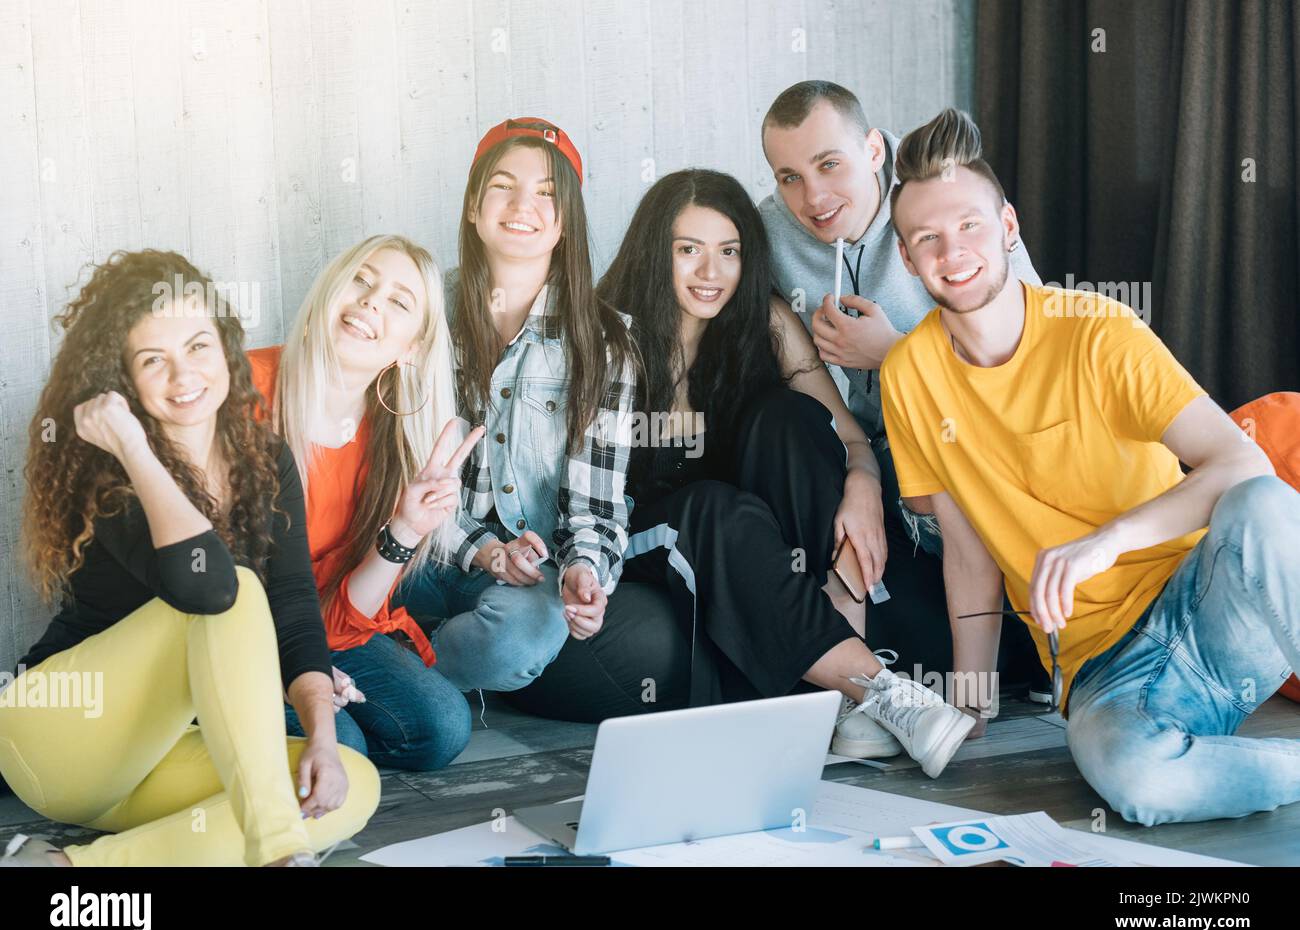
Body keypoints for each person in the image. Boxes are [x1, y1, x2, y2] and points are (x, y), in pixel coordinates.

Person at [881, 107, 1300, 825]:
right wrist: (971, 702)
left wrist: (1108, 541)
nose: (953, 251)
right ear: (908, 256)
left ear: (1008, 227)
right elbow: (969, 552)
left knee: (1262, 500)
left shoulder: (1099, 332)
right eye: (928, 238)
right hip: (1107, 673)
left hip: (1212, 605)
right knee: (1138, 784)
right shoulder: (907, 375)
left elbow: (1239, 461)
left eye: (970, 226)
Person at [519, 169, 975, 777]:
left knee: (790, 418)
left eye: (729, 252)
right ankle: (873, 688)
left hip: (754, 548)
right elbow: (585, 499)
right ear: (656, 254)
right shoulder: (610, 336)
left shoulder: (764, 323)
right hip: (643, 539)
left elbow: (842, 434)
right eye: (689, 251)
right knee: (714, 505)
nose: (711, 273)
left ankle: (848, 696)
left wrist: (863, 482)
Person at [0, 250, 379, 866]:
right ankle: (283, 858)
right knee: (235, 592)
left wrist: (323, 740)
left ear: (226, 349)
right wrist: (131, 445)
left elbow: (294, 608)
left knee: (347, 786)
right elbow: (206, 590)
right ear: (121, 380)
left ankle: (64, 868)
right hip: (59, 733)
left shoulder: (265, 459)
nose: (184, 377)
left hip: (156, 758)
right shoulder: (107, 468)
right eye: (154, 361)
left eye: (198, 347)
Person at [760, 80, 1044, 697]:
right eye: (788, 177)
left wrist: (896, 356)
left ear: (872, 150)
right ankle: (857, 680)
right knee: (783, 421)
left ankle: (997, 658)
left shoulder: (943, 200)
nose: (812, 197)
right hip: (867, 476)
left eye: (829, 164)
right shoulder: (768, 235)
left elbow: (1028, 367)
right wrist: (860, 468)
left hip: (971, 463)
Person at [398, 117, 683, 713]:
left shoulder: (604, 342)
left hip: (524, 578)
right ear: (475, 205)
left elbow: (595, 502)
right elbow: (401, 471)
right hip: (420, 546)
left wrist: (584, 571)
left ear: (567, 222)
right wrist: (480, 549)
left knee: (523, 639)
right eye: (503, 185)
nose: (522, 204)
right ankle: (398, 670)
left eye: (547, 192)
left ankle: (394, 668)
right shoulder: (425, 314)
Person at [249, 234, 480, 771]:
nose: (372, 300)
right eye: (362, 279)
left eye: (399, 302)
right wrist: (293, 673)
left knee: (441, 727)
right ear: (330, 291)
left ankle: (278, 744)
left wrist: (404, 528)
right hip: (234, 634)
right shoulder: (244, 389)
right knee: (343, 746)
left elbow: (344, 615)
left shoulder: (394, 444)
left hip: (323, 627)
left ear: (411, 349)